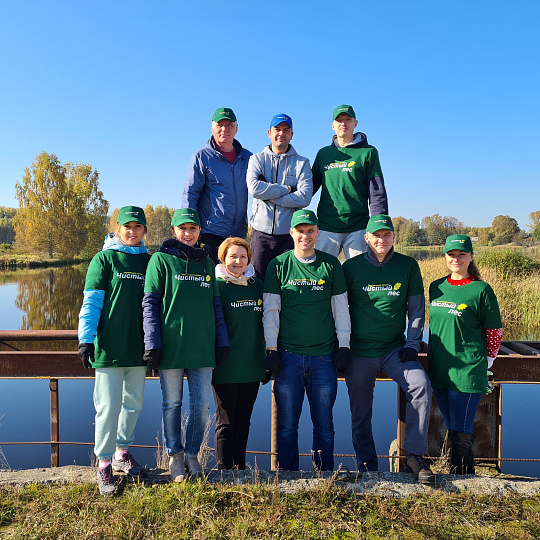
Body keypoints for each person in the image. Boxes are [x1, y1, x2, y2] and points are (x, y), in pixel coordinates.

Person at [342, 214, 434, 484]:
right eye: (376, 235)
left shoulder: (408, 266)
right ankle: (368, 466)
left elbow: (417, 309)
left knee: (421, 386)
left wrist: (412, 342)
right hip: (359, 352)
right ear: (366, 238)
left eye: (387, 235)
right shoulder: (351, 267)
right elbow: (339, 309)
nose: (381, 240)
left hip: (396, 350)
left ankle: (414, 456)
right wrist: (343, 345)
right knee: (361, 411)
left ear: (394, 237)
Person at [142, 208, 230, 481]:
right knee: (172, 404)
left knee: (202, 407)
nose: (188, 233)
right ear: (174, 231)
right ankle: (175, 457)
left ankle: (193, 455)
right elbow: (150, 304)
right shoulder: (160, 260)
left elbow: (216, 307)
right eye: (183, 228)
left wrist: (221, 341)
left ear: (199, 232)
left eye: (193, 228)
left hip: (202, 348)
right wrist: (152, 343)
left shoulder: (207, 263)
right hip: (171, 347)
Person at [263, 209, 351, 471]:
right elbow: (271, 310)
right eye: (300, 231)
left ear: (317, 233)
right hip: (288, 357)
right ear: (291, 233)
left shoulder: (330, 264)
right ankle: (288, 476)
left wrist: (344, 345)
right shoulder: (278, 265)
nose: (305, 235)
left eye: (310, 230)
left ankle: (323, 474)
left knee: (324, 424)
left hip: (324, 358)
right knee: (288, 426)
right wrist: (271, 348)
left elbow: (341, 308)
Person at [78, 205, 151, 496]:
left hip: (139, 349)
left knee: (133, 405)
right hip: (108, 348)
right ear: (118, 228)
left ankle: (122, 453)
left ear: (145, 230)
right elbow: (92, 302)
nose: (132, 231)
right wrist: (86, 338)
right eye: (127, 226)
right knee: (108, 408)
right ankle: (104, 463)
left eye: (138, 227)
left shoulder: (151, 261)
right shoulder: (104, 259)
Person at [428, 234, 502, 475]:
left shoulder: (480, 290)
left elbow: (494, 331)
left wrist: (486, 362)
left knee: (461, 428)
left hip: (467, 371)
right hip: (439, 368)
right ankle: (462, 475)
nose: (456, 259)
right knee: (451, 425)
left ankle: (459, 478)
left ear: (471, 256)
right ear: (445, 257)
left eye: (462, 254)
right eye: (451, 254)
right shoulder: (436, 286)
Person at [212, 237, 266, 469]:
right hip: (225, 366)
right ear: (223, 258)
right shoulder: (216, 286)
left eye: (243, 256)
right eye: (233, 256)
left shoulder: (257, 286)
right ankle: (224, 474)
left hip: (252, 365)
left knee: (244, 421)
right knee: (226, 422)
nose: (238, 261)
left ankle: (240, 470)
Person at [312, 104, 388, 260]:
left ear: (355, 123)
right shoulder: (323, 153)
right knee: (322, 273)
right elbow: (309, 187)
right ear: (332, 126)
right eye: (339, 120)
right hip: (327, 226)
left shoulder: (368, 152)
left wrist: (379, 226)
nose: (343, 123)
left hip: (358, 227)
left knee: (359, 275)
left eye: (348, 119)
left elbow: (377, 192)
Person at [246, 113, 313, 281]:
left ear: (291, 135)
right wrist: (289, 189)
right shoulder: (257, 159)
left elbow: (305, 197)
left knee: (288, 283)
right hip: (261, 235)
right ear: (269, 133)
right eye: (277, 129)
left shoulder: (302, 163)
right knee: (258, 282)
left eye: (286, 130)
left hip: (288, 236)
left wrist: (274, 197)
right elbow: (254, 189)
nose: (281, 133)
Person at [182, 107, 252, 263]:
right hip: (210, 232)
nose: (224, 129)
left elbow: (259, 190)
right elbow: (190, 194)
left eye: (229, 125)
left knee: (234, 280)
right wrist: (191, 226)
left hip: (238, 233)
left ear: (236, 129)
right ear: (212, 127)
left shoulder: (248, 158)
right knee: (209, 279)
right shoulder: (201, 157)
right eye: (220, 125)